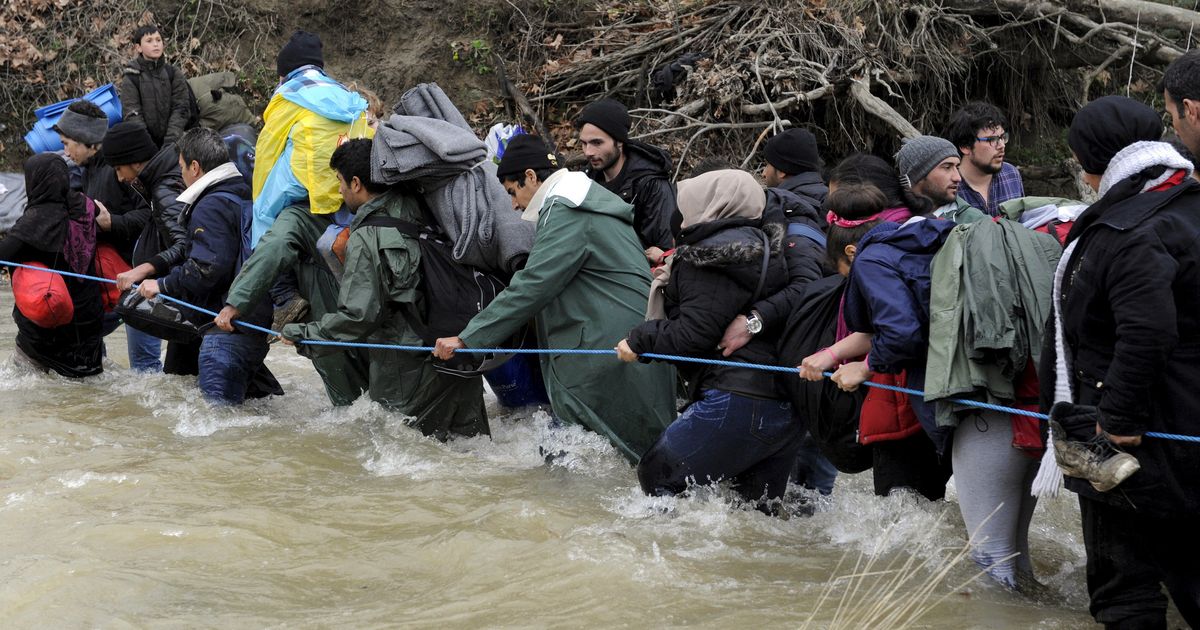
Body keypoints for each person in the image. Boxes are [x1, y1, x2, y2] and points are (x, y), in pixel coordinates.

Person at [1044, 95, 1200, 628]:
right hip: (1186, 424)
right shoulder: (1185, 202)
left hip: (1143, 440)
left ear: (1092, 161)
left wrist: (1120, 422)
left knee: (1126, 590)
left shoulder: (1127, 229)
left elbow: (1148, 329)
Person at [433, 134, 676, 463]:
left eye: (512, 193)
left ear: (531, 177)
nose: (515, 205)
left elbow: (534, 283)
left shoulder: (567, 210)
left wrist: (468, 337)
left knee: (569, 459)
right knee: (617, 460)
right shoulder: (586, 200)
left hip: (604, 353)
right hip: (624, 345)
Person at [279, 140, 488, 439]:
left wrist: (300, 334)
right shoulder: (425, 206)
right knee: (472, 454)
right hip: (460, 357)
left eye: (340, 182)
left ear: (356, 182)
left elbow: (357, 316)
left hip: (408, 374)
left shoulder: (368, 236)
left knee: (398, 467)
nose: (339, 191)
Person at [618, 169, 800, 509]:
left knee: (656, 476)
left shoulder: (708, 258)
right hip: (785, 405)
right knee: (754, 515)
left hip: (738, 399)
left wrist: (640, 339)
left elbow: (693, 336)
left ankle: (659, 561)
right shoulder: (768, 247)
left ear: (710, 206)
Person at [134, 128, 279, 405]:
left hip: (226, 332)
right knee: (249, 415)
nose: (181, 176)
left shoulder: (211, 205)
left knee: (217, 428)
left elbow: (206, 270)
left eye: (181, 168)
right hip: (249, 321)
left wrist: (161, 284)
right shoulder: (242, 193)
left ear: (195, 167)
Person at [249, 30, 370, 329]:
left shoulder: (288, 96)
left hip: (303, 184)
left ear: (285, 71)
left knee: (261, 227)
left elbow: (266, 152)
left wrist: (259, 203)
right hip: (347, 186)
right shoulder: (347, 95)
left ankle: (284, 297)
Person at [101, 121, 193, 374]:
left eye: (119, 168)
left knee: (172, 373)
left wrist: (144, 269)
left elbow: (184, 245)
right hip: (176, 288)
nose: (119, 177)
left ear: (135, 161)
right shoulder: (163, 177)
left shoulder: (164, 188)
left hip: (177, 290)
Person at [0, 154, 103, 377]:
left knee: (34, 399)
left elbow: (3, 254)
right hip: (88, 328)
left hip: (46, 332)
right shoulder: (84, 205)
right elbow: (99, 214)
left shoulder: (35, 220)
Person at [575, 98, 675, 259]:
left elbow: (665, 249)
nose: (588, 152)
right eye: (584, 144)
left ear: (619, 142)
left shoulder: (650, 184)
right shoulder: (585, 181)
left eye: (597, 143)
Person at [52, 100, 148, 266]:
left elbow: (151, 214)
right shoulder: (87, 169)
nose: (66, 153)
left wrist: (113, 223)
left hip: (136, 265)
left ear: (86, 138)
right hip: (110, 263)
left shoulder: (122, 166)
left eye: (66, 144)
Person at [944, 102, 1024, 216]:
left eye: (1002, 137)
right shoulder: (949, 186)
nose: (1001, 145)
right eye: (992, 139)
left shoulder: (1011, 174)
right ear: (965, 146)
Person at [118, 24, 193, 148]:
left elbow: (181, 108)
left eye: (158, 40)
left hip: (175, 141)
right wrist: (148, 145)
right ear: (138, 48)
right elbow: (132, 114)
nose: (155, 44)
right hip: (145, 144)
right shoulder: (132, 77)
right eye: (149, 41)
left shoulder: (173, 73)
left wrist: (171, 140)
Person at [895, 135, 986, 224]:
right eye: (947, 167)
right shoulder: (892, 219)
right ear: (918, 175)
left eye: (957, 168)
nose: (957, 178)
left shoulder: (974, 223)